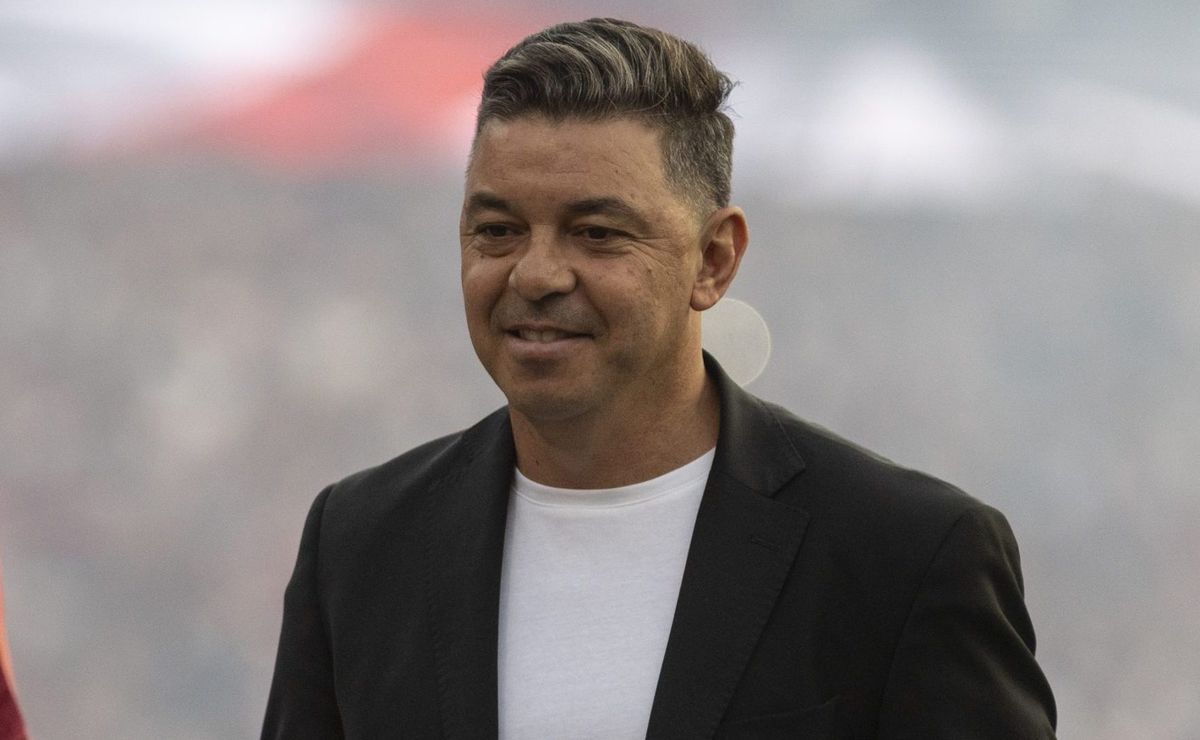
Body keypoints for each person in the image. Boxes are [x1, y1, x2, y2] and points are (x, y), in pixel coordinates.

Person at [263, 18, 1057, 739]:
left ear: (713, 260)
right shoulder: (359, 544)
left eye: (596, 233)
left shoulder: (907, 556)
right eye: (498, 230)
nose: (535, 274)